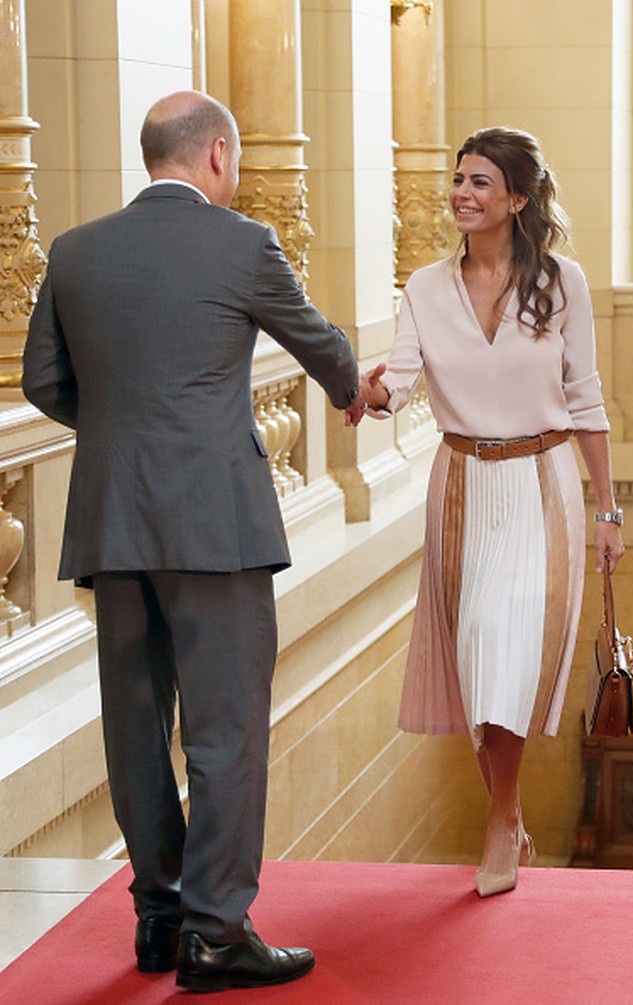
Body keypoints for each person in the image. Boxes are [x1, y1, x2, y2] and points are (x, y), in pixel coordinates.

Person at [22, 91, 366, 992]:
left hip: (112, 521)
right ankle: (217, 932)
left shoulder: (73, 250)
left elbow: (42, 380)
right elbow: (320, 346)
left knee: (135, 725)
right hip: (215, 520)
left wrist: (120, 435)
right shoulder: (242, 241)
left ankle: (158, 913)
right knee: (225, 732)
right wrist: (352, 387)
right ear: (217, 154)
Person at [347, 127, 624, 897]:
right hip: (462, 481)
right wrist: (363, 390)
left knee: (509, 650)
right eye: (458, 179)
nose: (462, 193)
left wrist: (609, 511)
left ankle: (501, 817)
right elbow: (396, 386)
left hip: (542, 482)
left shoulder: (561, 283)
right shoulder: (423, 289)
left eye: (480, 182)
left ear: (518, 198)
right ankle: (509, 811)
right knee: (476, 652)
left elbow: (587, 398)